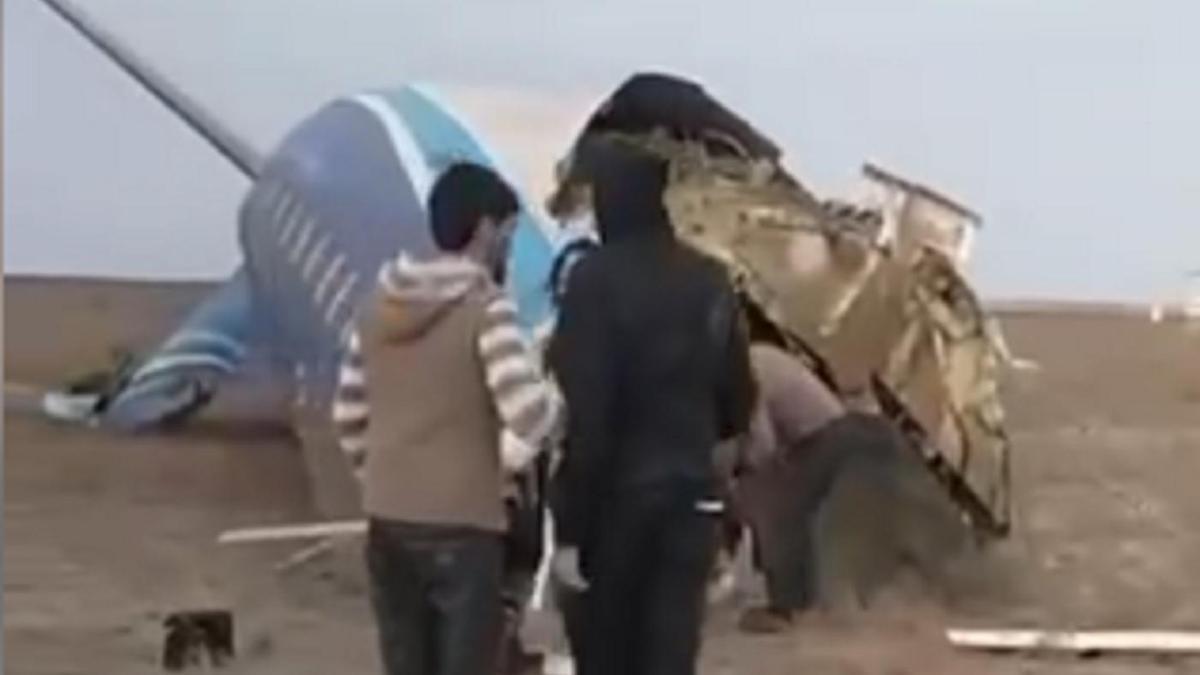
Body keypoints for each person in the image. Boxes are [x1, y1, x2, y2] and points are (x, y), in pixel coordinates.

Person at [332, 162, 561, 675]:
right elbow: (528, 415)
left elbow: (346, 415)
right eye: (508, 233)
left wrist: (386, 477)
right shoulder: (487, 309)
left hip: (388, 520)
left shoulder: (376, 308)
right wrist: (557, 406)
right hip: (464, 528)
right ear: (484, 229)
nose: (507, 248)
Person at [549, 138, 756, 675]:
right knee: (671, 656)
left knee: (607, 656)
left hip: (613, 508)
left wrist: (570, 529)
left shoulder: (592, 281)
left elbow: (588, 416)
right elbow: (739, 401)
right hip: (690, 503)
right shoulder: (710, 281)